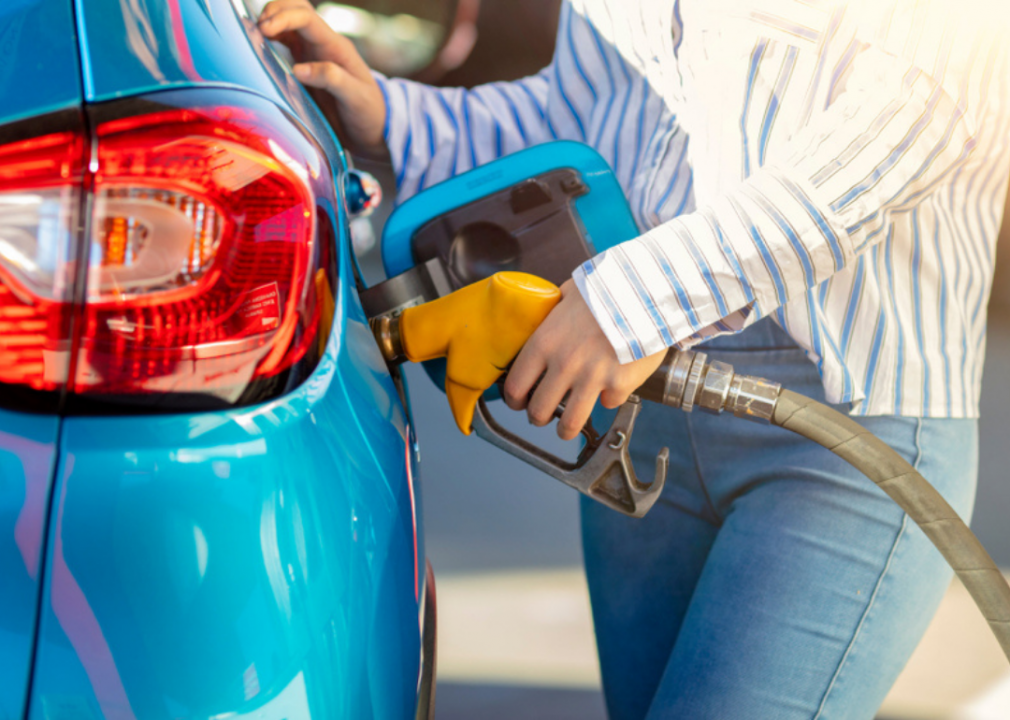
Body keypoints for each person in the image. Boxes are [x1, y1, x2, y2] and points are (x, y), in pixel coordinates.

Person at [260, 1, 1010, 717]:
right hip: (643, 412)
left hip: (841, 428)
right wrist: (395, 116)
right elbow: (583, 117)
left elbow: (913, 125)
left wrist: (635, 302)